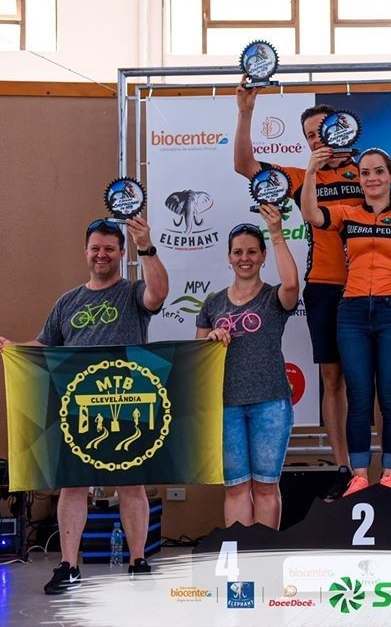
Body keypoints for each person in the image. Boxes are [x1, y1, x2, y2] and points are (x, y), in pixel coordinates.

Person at [234, 80, 391, 497]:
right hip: (326, 287)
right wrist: (245, 112)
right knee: (334, 379)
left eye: (323, 131)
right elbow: (245, 166)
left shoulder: (369, 172)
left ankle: (390, 472)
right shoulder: (301, 177)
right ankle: (345, 469)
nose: (318, 139)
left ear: (342, 129)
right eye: (310, 135)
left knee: (382, 385)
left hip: (377, 290)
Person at [0, 217, 169, 593]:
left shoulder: (133, 293)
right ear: (86, 252)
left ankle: (138, 561)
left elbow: (158, 294)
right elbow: (45, 346)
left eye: (109, 248)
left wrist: (147, 246)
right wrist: (14, 349)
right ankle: (68, 565)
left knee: (131, 485)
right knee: (73, 485)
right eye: (96, 248)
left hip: (126, 402)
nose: (101, 254)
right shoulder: (67, 302)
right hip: (77, 408)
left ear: (121, 253)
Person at [300, 148, 391, 495]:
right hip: (352, 313)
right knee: (358, 397)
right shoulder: (347, 214)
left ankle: (390, 475)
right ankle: (359, 476)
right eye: (365, 173)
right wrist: (311, 171)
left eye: (378, 172)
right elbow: (311, 213)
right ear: (359, 179)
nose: (372, 178)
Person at [196, 205, 299, 528]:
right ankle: (239, 556)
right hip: (226, 405)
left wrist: (277, 233)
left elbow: (292, 286)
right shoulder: (213, 303)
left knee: (266, 487)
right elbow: (197, 357)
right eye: (238, 252)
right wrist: (210, 339)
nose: (245, 258)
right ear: (229, 257)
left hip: (271, 402)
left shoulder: (273, 297)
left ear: (263, 256)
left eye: (252, 252)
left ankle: (264, 555)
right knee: (236, 489)